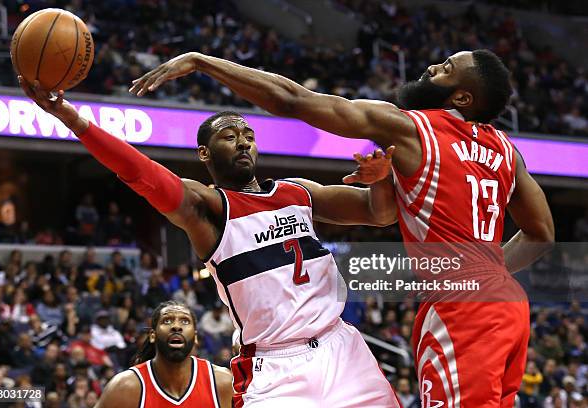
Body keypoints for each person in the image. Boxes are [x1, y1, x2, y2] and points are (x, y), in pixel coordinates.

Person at [131, 49, 555, 407]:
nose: (431, 69)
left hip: (461, 309)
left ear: (462, 96)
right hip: (510, 306)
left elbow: (291, 99)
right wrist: (488, 273)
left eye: (445, 69)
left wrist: (203, 62)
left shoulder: (409, 126)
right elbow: (541, 233)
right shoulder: (506, 149)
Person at [19, 75, 400, 407]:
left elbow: (380, 213)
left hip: (342, 349)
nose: (243, 143)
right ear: (204, 153)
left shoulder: (299, 192)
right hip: (277, 367)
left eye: (248, 136)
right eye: (229, 136)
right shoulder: (209, 209)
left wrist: (381, 177)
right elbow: (142, 173)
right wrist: (70, 116)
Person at [95, 301, 232, 408]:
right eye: (167, 321)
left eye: (185, 321)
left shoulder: (223, 382)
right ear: (152, 335)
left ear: (195, 337)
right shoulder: (125, 387)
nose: (176, 327)